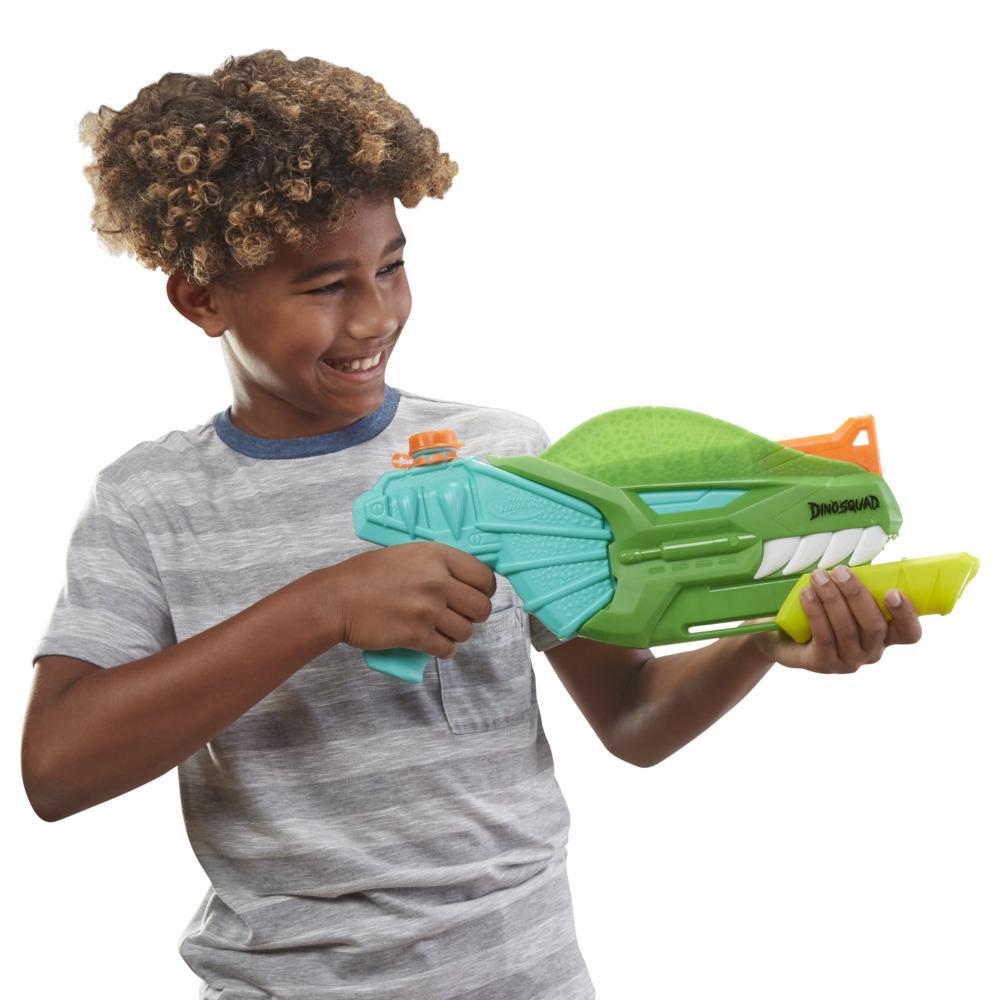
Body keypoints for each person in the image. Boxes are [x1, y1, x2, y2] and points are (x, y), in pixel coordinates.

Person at [21, 49, 924, 1000]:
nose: (375, 316)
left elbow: (634, 717)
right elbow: (56, 769)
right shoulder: (147, 502)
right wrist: (323, 608)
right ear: (201, 297)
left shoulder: (504, 456)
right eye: (326, 287)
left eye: (392, 267)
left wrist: (767, 635)